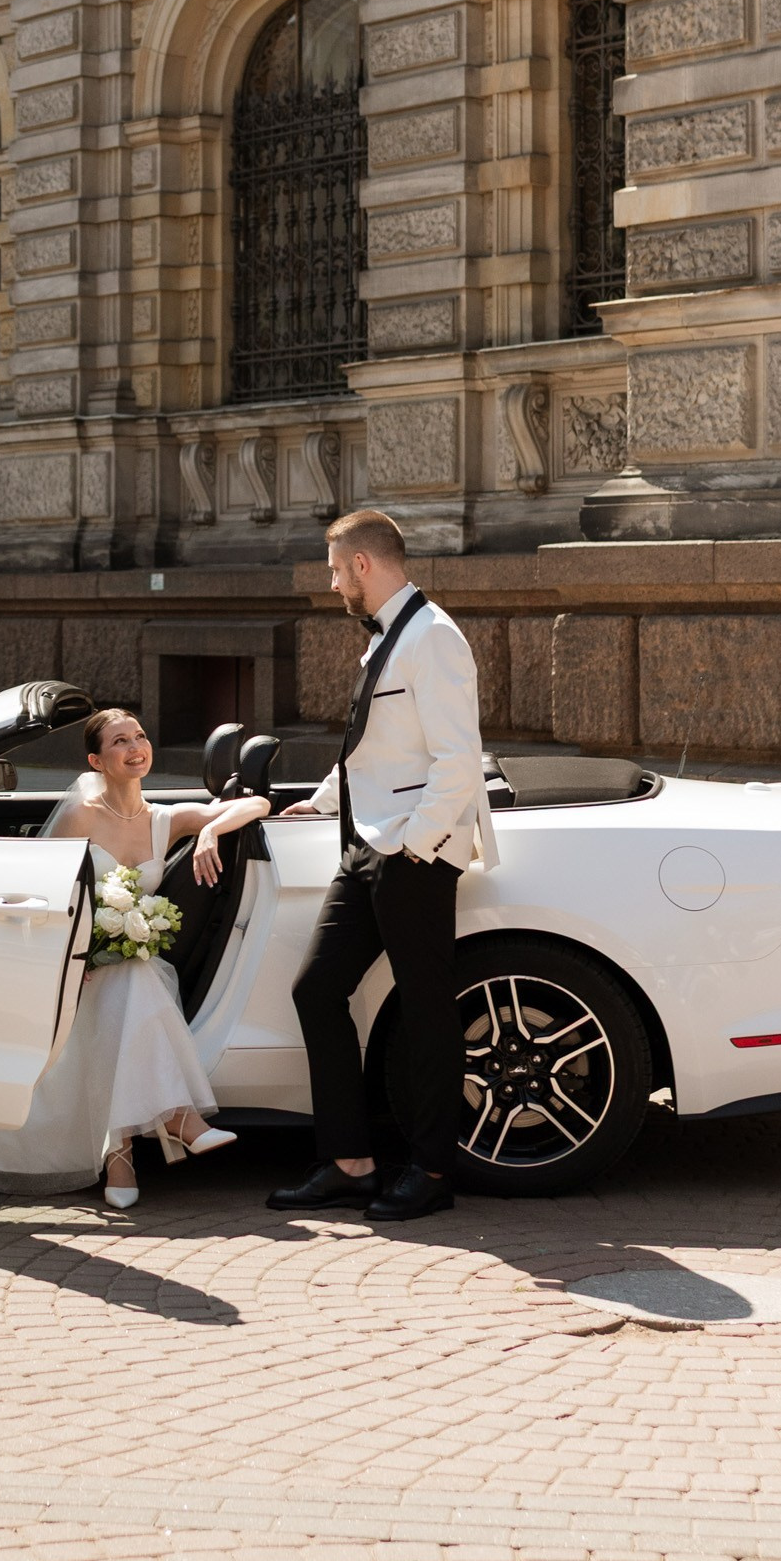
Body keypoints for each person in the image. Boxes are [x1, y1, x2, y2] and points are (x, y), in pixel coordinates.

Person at [0, 706, 269, 1208]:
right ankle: (171, 1122)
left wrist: (211, 830)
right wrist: (73, 958)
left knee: (132, 975)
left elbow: (258, 803)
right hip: (70, 961)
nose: (135, 748)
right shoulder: (80, 815)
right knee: (133, 979)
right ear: (96, 761)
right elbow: (43, 891)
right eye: (119, 742)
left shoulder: (164, 819)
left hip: (120, 963)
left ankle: (123, 1156)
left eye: (139, 736)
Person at [270, 508, 498, 1226]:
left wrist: (416, 846)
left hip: (410, 853)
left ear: (363, 565)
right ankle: (350, 1164)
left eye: (337, 570)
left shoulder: (432, 636)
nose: (335, 583)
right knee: (317, 990)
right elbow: (377, 747)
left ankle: (432, 1172)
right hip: (366, 845)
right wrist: (319, 802)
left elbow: (458, 758)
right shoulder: (388, 637)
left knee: (427, 1010)